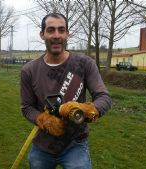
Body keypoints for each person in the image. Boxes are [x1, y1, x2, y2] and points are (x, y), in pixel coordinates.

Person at [20, 13, 112, 169]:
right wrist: (45, 120)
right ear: (42, 35)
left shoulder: (84, 64)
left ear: (67, 34)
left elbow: (104, 97)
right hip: (42, 145)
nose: (56, 35)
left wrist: (88, 109)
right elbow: (27, 107)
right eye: (51, 30)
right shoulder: (29, 70)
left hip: (75, 144)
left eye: (61, 30)